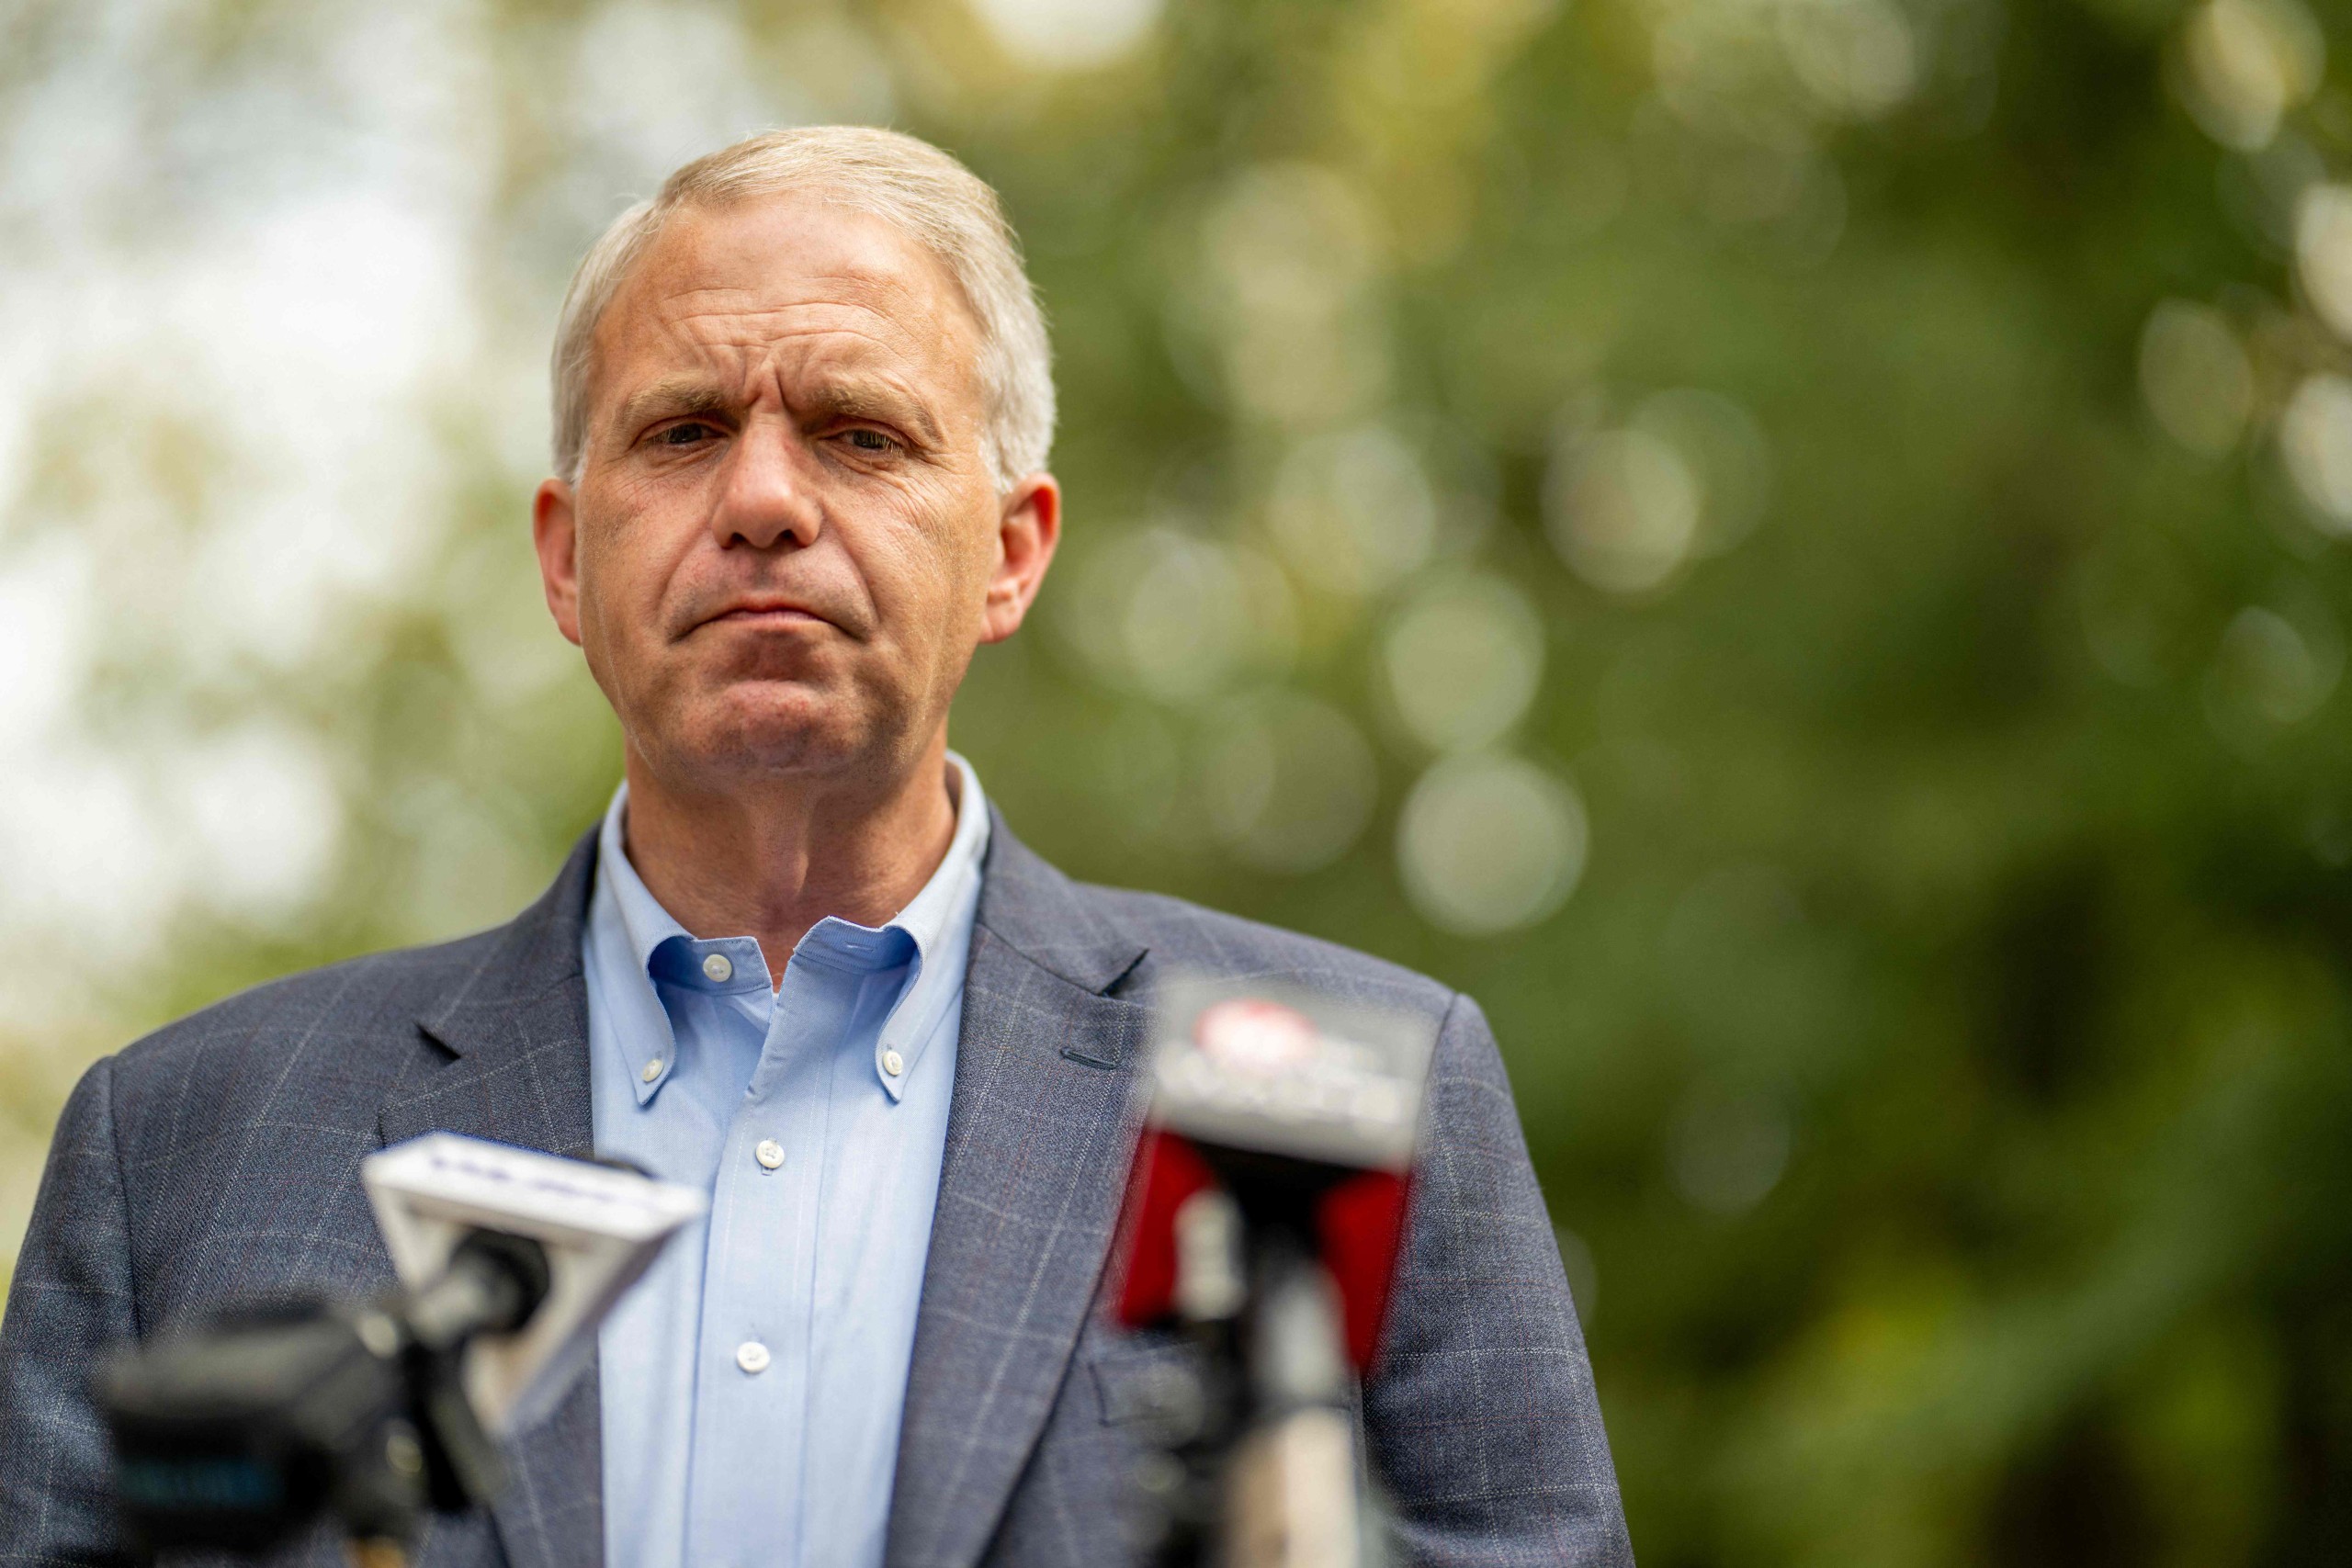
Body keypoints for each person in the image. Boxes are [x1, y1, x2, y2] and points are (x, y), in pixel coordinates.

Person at [0, 128, 1632, 1568]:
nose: (765, 500)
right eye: (684, 431)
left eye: (860, 434)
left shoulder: (1332, 1098)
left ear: (1011, 553)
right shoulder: (181, 1150)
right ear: (565, 561)